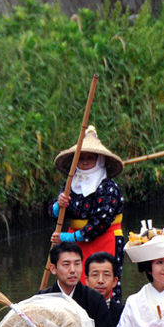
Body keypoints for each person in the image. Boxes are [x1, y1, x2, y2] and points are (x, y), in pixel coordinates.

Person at [49, 125, 125, 300]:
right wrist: (57, 206)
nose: (84, 161)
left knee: (103, 285)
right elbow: (55, 215)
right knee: (75, 284)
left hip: (104, 239)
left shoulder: (108, 187)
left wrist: (70, 238)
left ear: (98, 160)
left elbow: (101, 222)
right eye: (81, 158)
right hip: (75, 243)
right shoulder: (71, 183)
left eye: (89, 158)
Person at [38, 242, 114, 327]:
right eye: (66, 264)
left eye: (77, 264)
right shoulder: (42, 299)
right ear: (53, 268)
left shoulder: (95, 299)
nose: (73, 270)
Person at [84, 251, 124, 327]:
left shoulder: (124, 313)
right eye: (95, 275)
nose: (100, 281)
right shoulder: (76, 311)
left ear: (115, 281)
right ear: (87, 281)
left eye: (106, 275)